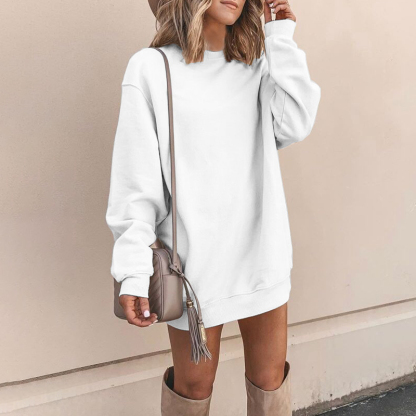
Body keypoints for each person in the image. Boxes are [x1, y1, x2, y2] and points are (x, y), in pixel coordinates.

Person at [105, 0, 321, 414]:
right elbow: (135, 185)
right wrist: (132, 269)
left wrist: (280, 38)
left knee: (270, 383)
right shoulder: (151, 69)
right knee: (193, 386)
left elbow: (296, 122)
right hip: (195, 268)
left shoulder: (257, 65)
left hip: (261, 253)